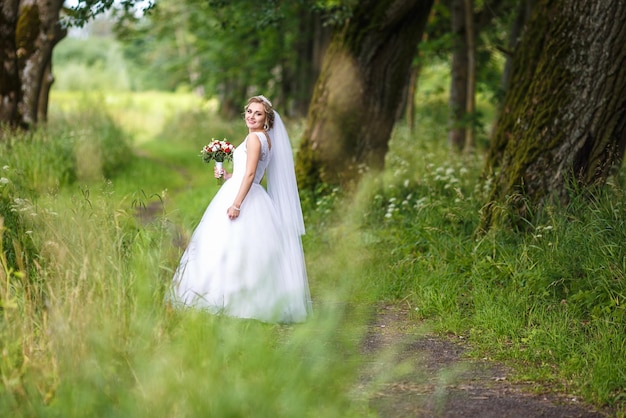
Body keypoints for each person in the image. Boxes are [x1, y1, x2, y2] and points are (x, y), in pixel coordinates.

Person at [171, 95, 312, 323]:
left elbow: (249, 174)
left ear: (266, 119)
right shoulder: (264, 138)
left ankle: (233, 299)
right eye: (249, 111)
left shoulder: (255, 139)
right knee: (239, 247)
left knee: (232, 246)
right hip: (246, 190)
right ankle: (241, 295)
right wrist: (228, 176)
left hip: (244, 197)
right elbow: (248, 174)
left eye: (258, 113)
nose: (251, 116)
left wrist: (236, 204)